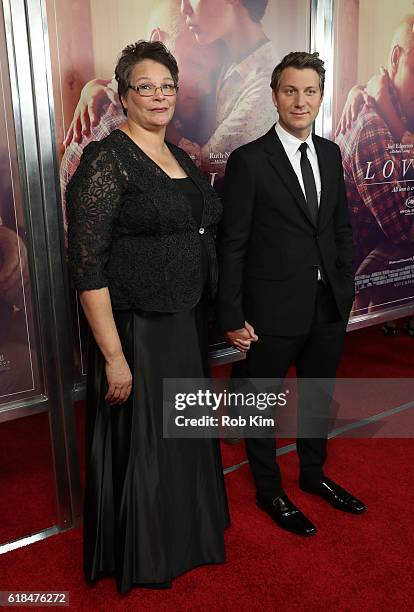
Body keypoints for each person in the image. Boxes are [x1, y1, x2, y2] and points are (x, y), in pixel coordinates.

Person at [66, 40, 229, 594]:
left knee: (184, 436)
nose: (158, 95)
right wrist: (113, 357)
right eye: (145, 86)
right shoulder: (106, 159)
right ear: (124, 94)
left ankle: (189, 536)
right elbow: (86, 265)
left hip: (185, 322)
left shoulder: (179, 156)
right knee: (149, 445)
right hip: (138, 332)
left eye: (166, 86)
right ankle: (151, 551)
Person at [218, 51, 366, 537]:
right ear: (275, 95)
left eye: (310, 91)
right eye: (290, 90)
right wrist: (233, 314)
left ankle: (313, 475)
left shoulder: (330, 153)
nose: (300, 101)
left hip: (327, 307)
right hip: (270, 312)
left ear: (321, 96)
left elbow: (339, 228)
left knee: (317, 398)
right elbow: (233, 243)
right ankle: (268, 489)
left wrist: (344, 283)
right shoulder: (248, 161)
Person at [335, 15, 414, 314]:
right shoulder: (371, 127)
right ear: (397, 57)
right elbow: (405, 228)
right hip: (353, 294)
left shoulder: (402, 111)